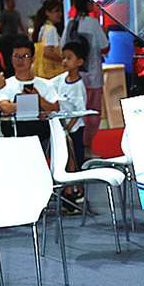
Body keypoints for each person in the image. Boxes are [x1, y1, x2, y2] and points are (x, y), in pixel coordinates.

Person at [61, 0, 109, 159]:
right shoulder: (93, 23)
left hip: (74, 76)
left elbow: (63, 47)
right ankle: (87, 147)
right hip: (93, 76)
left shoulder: (70, 23)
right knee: (92, 113)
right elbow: (105, 46)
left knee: (74, 110)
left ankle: (76, 148)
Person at [0, 34, 60, 149]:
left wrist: (38, 99)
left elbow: (55, 108)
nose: (20, 60)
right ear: (11, 58)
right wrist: (32, 102)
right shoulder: (4, 84)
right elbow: (5, 107)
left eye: (25, 56)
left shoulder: (46, 84)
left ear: (33, 58)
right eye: (16, 56)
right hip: (12, 139)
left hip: (41, 139)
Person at [50, 40, 88, 211]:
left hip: (74, 129)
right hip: (62, 129)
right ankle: (67, 192)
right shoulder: (59, 80)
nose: (65, 61)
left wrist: (67, 128)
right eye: (63, 58)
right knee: (65, 161)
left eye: (69, 58)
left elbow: (80, 111)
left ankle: (78, 192)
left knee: (76, 161)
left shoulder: (79, 86)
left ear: (79, 62)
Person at [32, 0, 65, 79]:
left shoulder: (43, 28)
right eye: (56, 11)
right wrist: (63, 60)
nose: (60, 14)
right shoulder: (51, 29)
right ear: (47, 13)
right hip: (52, 72)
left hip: (43, 71)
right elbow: (47, 52)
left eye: (60, 11)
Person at [0, 0, 27, 77]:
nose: (13, 4)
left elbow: (20, 24)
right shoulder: (3, 14)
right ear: (6, 3)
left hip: (14, 38)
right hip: (5, 39)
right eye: (10, 2)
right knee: (6, 56)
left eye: (13, 2)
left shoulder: (16, 13)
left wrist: (25, 33)